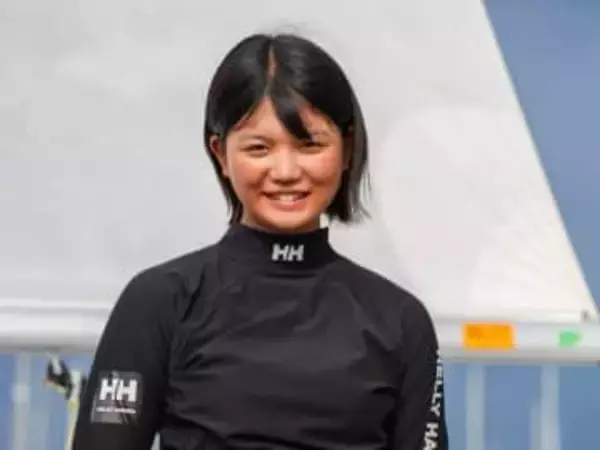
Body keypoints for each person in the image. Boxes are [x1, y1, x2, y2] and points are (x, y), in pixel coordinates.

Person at [71, 32, 448, 450]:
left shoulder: (401, 322)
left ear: (346, 149)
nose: (285, 171)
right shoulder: (159, 302)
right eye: (259, 148)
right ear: (220, 154)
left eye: (309, 145)